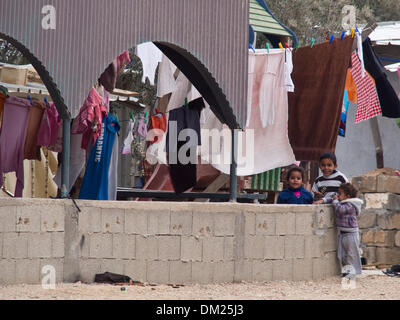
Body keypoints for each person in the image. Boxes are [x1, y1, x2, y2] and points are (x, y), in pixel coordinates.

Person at [325, 183, 363, 278]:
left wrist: (335, 201)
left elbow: (340, 210)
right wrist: (324, 200)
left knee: (351, 254)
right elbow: (333, 200)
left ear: (347, 196)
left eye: (340, 194)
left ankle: (352, 272)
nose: (338, 196)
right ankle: (347, 271)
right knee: (343, 254)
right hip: (343, 233)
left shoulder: (350, 205)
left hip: (351, 234)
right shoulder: (343, 202)